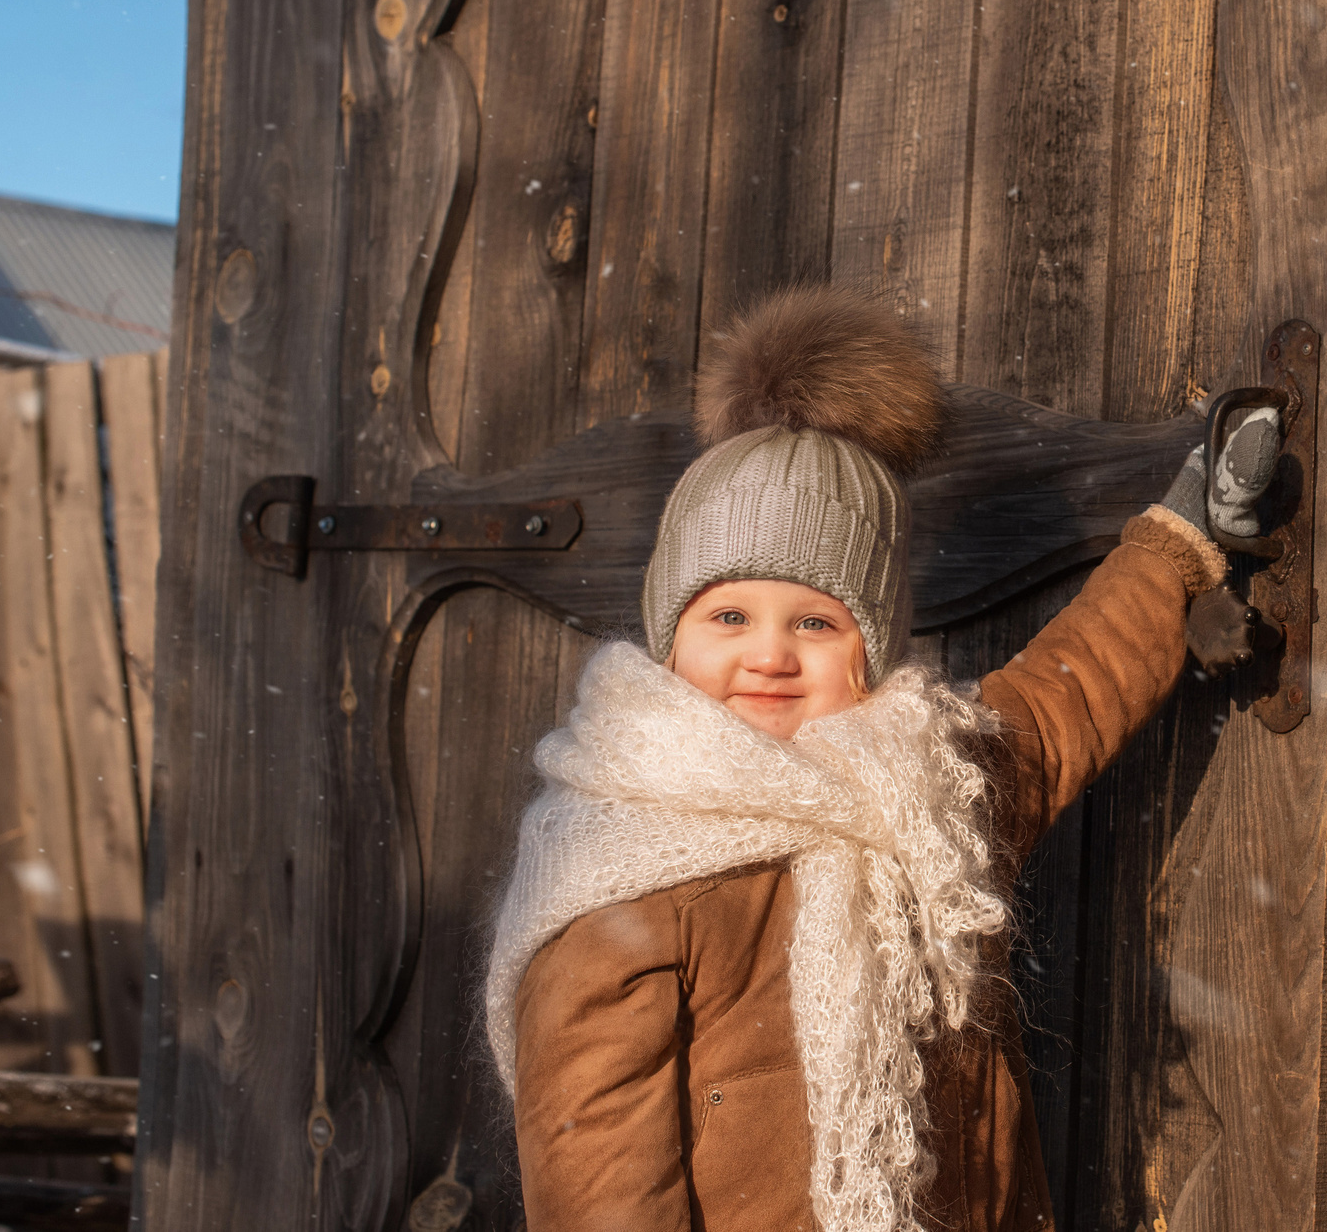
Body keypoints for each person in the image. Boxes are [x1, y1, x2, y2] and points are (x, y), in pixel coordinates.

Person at [481, 285, 1279, 1232]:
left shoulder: (921, 790)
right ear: (669, 639)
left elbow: (1066, 694)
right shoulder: (615, 871)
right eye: (729, 616)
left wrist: (1176, 545)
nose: (770, 654)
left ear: (872, 648)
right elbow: (598, 1179)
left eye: (815, 623)